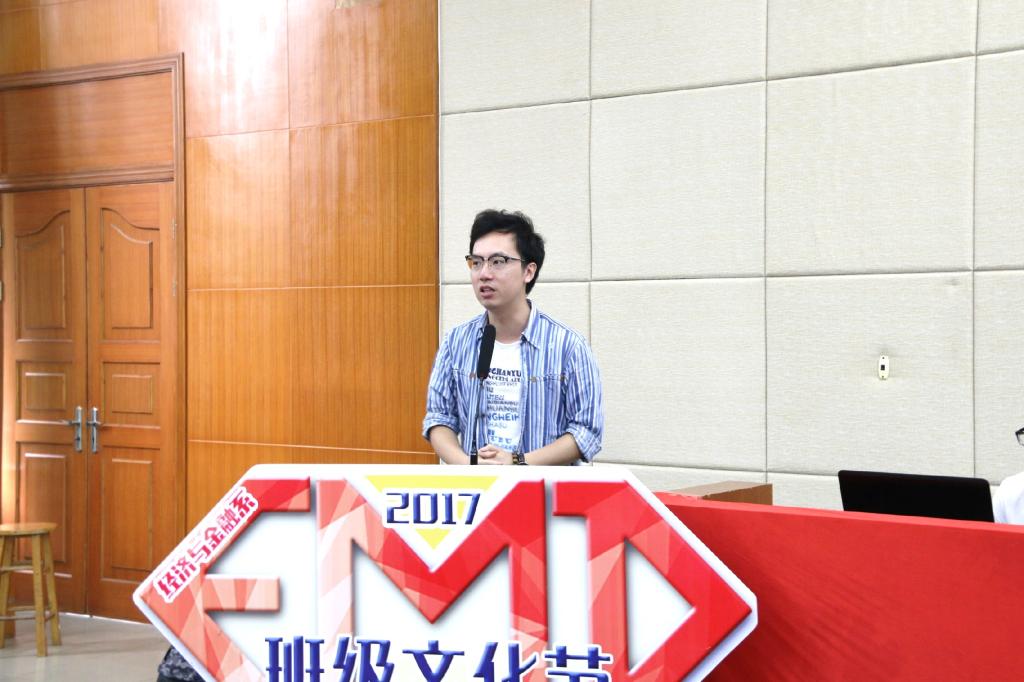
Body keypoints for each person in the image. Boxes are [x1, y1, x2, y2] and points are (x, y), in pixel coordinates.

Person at [423, 209, 603, 465]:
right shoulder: (456, 342)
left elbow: (587, 432)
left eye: (498, 261)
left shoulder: (568, 346)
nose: (484, 273)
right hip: (478, 487)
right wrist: (468, 465)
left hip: (543, 487)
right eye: (476, 262)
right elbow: (439, 419)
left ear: (528, 271)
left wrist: (518, 462)